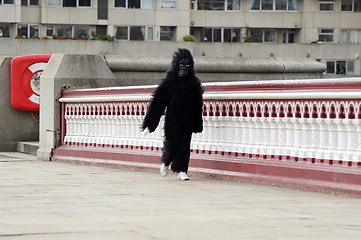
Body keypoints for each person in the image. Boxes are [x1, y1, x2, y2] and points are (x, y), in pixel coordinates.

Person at [142, 48, 204, 180]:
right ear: (176, 65)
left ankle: (182, 170)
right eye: (181, 65)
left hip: (188, 119)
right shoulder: (169, 83)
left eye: (187, 65)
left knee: (185, 144)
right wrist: (149, 125)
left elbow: (198, 105)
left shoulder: (194, 84)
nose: (184, 68)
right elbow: (157, 104)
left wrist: (198, 124)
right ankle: (165, 162)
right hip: (173, 119)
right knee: (172, 142)